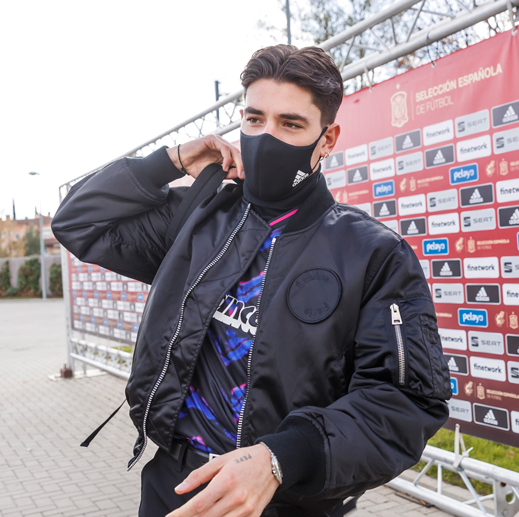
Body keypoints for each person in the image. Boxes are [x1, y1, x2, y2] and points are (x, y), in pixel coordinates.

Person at [52, 44, 452, 517]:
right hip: (174, 487)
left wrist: (280, 459)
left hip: (284, 501)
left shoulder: (373, 254)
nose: (266, 136)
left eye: (290, 124)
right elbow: (77, 221)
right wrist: (173, 159)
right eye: (254, 118)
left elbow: (403, 403)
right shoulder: (200, 218)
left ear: (327, 139)